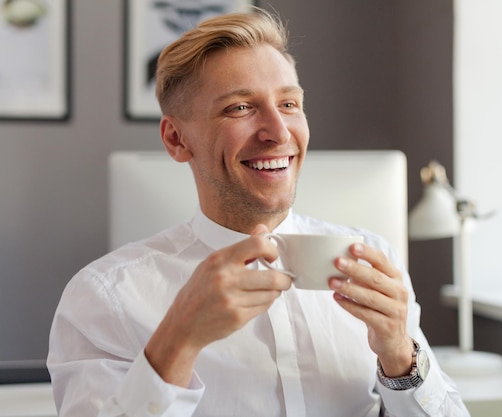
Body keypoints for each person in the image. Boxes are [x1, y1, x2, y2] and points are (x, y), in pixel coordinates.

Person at [47, 9, 469, 417]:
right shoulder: (104, 297)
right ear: (176, 139)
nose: (279, 132)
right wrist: (178, 340)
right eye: (240, 108)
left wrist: (400, 357)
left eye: (289, 104)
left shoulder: (374, 262)